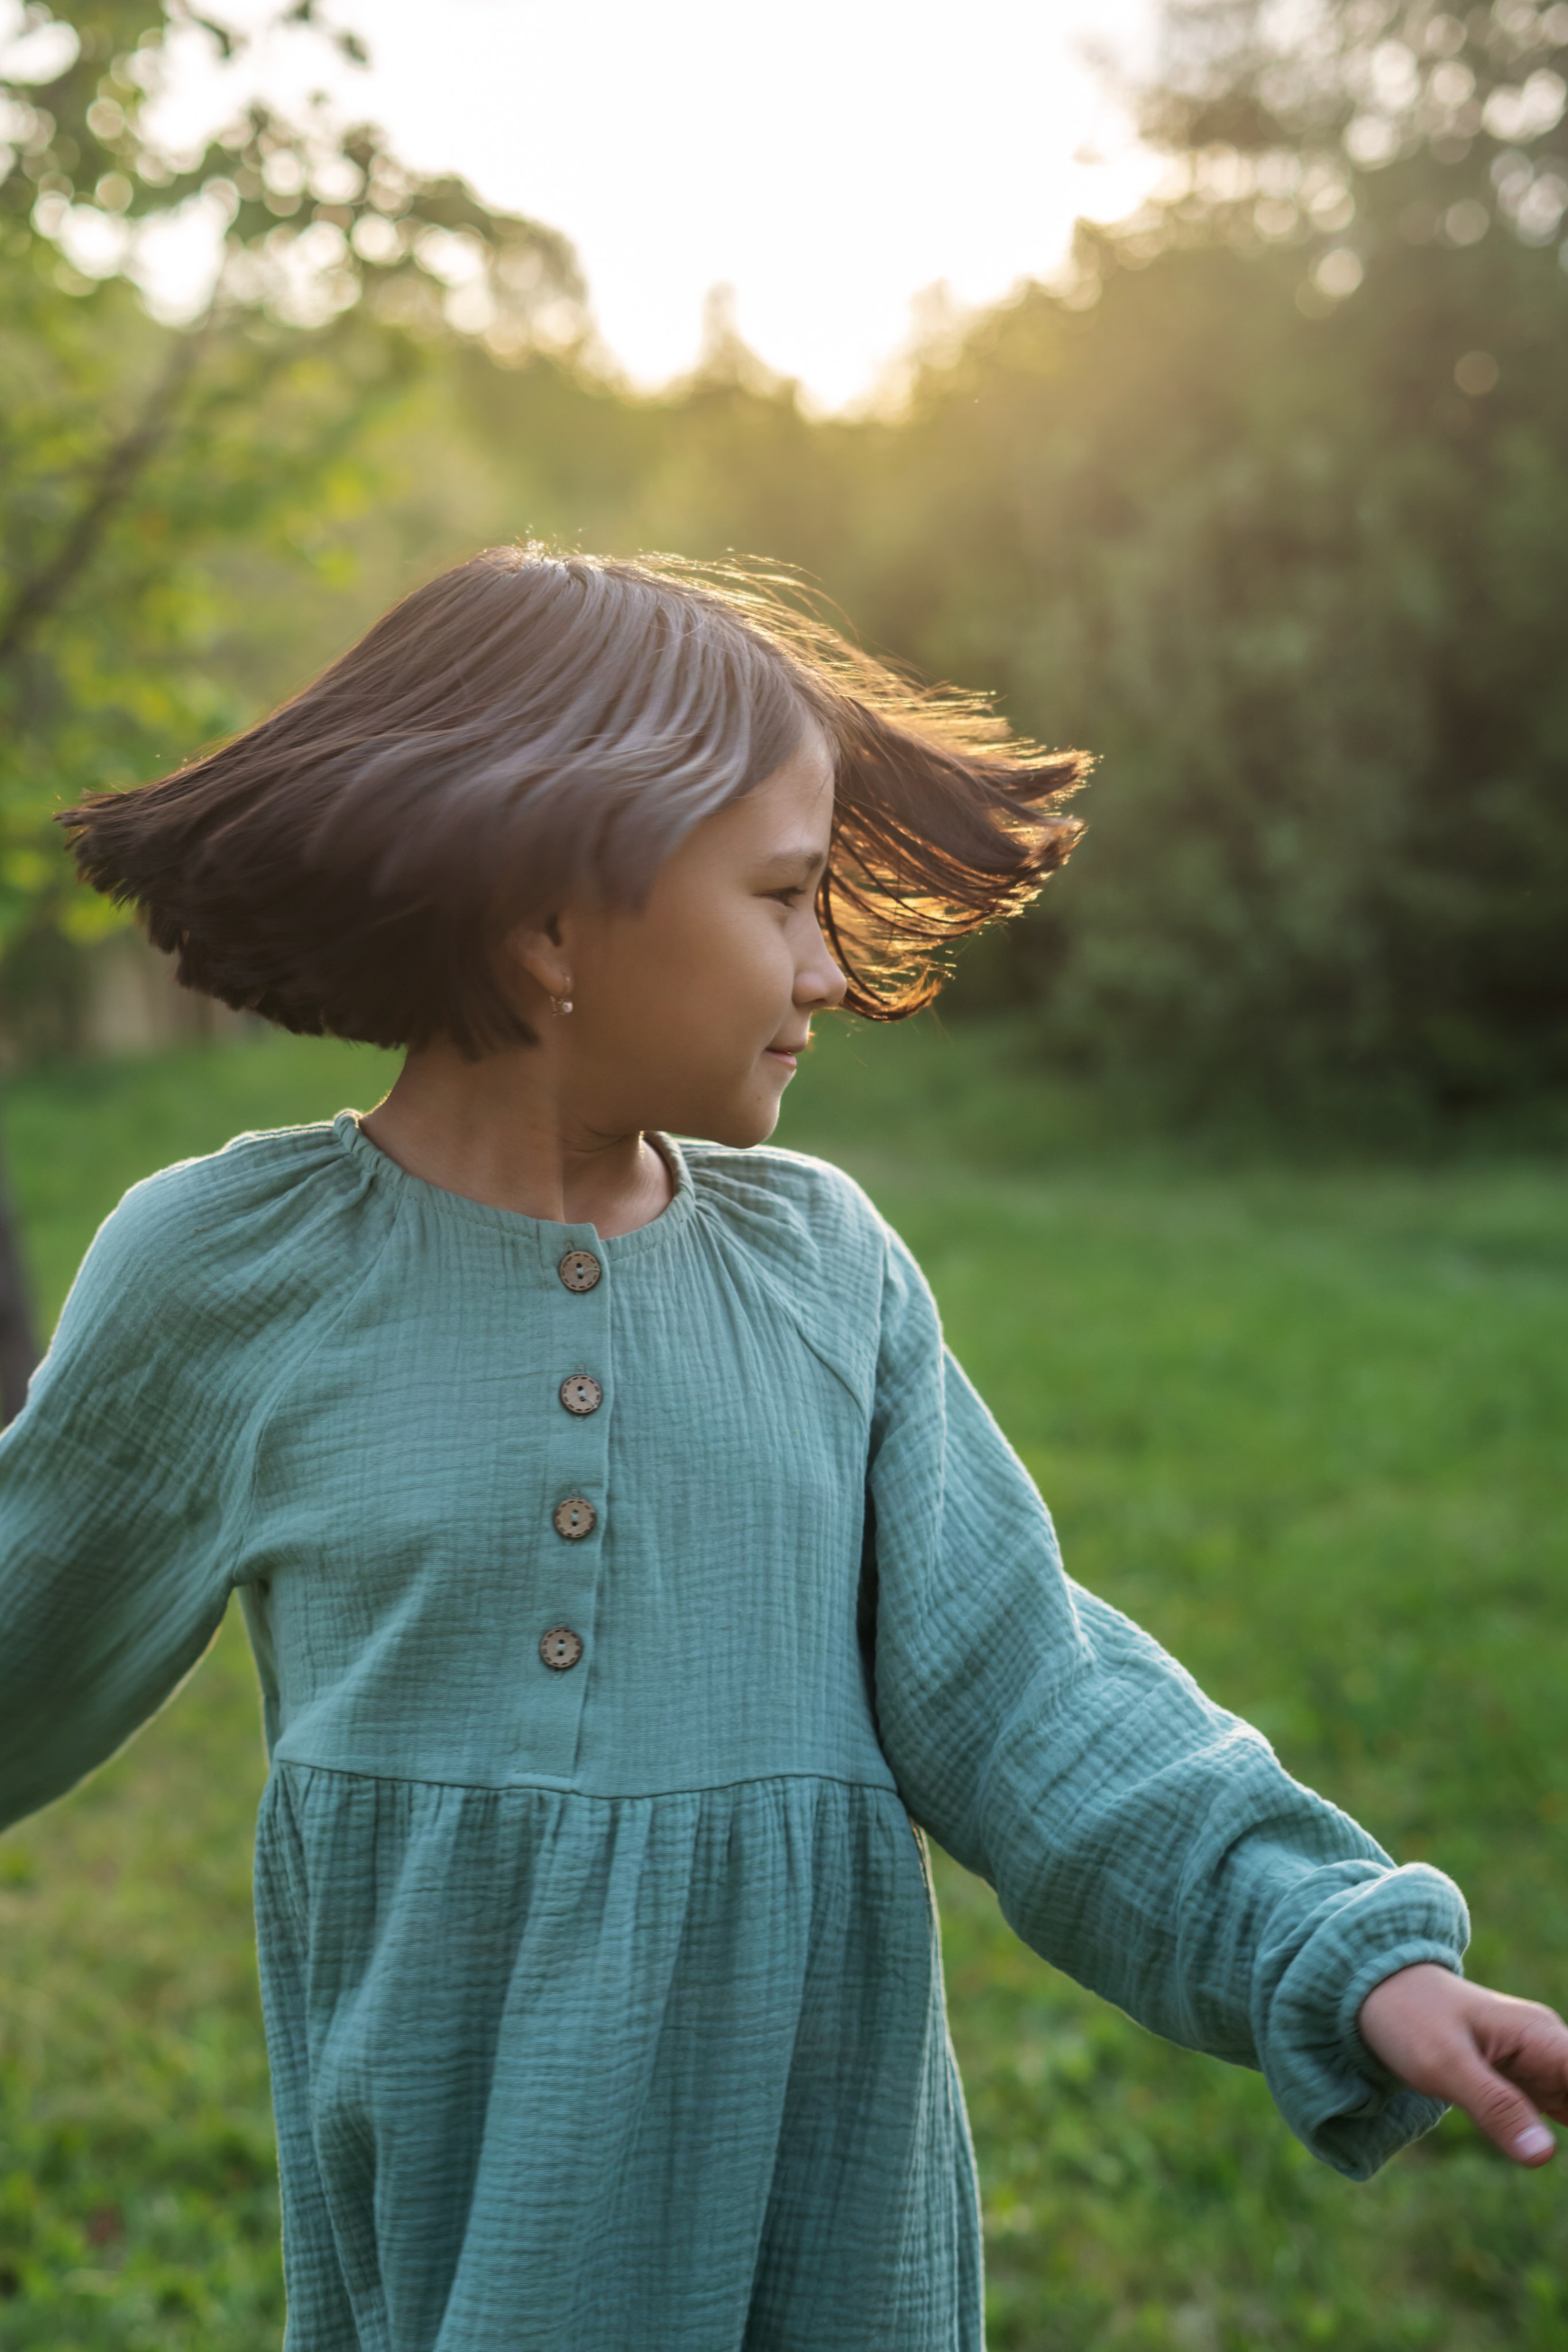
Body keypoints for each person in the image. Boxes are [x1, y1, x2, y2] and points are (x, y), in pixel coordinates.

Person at [4, 547, 1564, 2352]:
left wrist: (1335, 1949)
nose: (830, 966)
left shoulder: (827, 1271)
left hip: (834, 2257)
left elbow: (1031, 1692)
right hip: (473, 2261)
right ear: (551, 926)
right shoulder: (232, 1272)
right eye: (780, 895)